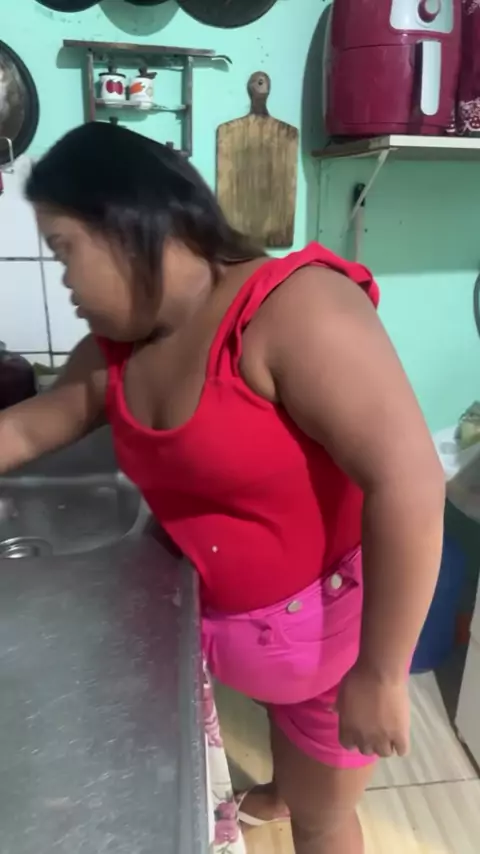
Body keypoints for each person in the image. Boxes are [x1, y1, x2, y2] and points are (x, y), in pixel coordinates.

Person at [1, 123, 444, 854]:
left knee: (323, 820)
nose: (66, 283)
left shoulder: (294, 309)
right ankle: (284, 781)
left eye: (64, 250)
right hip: (245, 636)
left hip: (332, 644)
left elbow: (409, 483)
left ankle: (301, 795)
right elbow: (21, 433)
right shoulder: (118, 352)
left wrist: (381, 674)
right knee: (282, 732)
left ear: (129, 222)